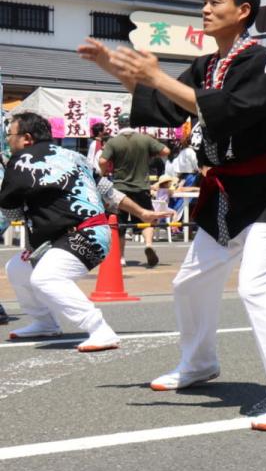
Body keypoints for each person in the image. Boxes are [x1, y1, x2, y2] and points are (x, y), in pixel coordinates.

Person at [78, 0, 266, 431]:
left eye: (214, 2)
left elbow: (226, 113)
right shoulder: (207, 65)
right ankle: (200, 363)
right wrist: (116, 68)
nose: (204, 9)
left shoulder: (263, 61)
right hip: (226, 192)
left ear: (243, 11)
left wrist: (154, 75)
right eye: (203, 2)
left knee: (255, 287)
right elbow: (169, 105)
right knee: (189, 282)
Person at [2, 112, 165, 351]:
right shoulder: (74, 156)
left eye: (10, 135)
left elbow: (12, 212)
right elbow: (107, 191)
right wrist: (141, 212)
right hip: (86, 234)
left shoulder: (22, 161)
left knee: (46, 277)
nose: (8, 140)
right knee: (17, 268)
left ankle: (99, 329)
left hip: (80, 235)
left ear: (26, 138)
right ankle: (44, 322)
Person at [98, 112, 169, 268]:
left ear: (119, 125)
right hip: (142, 186)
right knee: (148, 217)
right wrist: (149, 154)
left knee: (119, 223)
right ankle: (149, 244)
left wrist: (103, 173)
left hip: (120, 189)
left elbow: (102, 160)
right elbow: (166, 151)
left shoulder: (113, 142)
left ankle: (121, 257)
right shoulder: (144, 139)